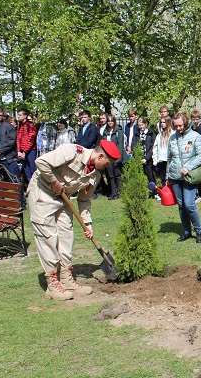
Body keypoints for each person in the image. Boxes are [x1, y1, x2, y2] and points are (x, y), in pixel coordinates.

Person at [27, 140, 121, 300]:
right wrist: (54, 181)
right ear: (100, 155)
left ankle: (65, 278)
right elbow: (40, 162)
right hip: (43, 193)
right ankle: (52, 284)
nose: (107, 167)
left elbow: (84, 200)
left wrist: (88, 224)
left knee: (66, 236)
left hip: (64, 199)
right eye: (107, 163)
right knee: (48, 237)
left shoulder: (95, 175)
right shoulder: (71, 152)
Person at [167, 112, 201, 243]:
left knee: (189, 204)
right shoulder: (172, 138)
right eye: (176, 126)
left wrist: (188, 167)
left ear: (186, 122)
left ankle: (198, 231)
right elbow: (169, 158)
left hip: (189, 176)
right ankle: (186, 231)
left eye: (180, 125)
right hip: (175, 176)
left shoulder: (195, 136)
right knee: (181, 205)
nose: (178, 128)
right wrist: (168, 176)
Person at [103, 114, 126, 200]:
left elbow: (120, 145)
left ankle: (119, 192)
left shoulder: (118, 131)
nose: (110, 123)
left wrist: (118, 158)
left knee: (117, 175)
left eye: (112, 121)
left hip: (116, 156)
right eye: (108, 121)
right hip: (107, 156)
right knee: (110, 175)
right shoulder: (105, 131)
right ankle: (113, 192)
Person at [0, 106, 19, 182]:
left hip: (7, 159)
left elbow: (11, 141)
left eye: (0, 115)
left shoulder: (8, 126)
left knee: (14, 181)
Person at [133, 117, 157, 191]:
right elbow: (134, 146)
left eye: (142, 125)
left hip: (148, 159)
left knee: (150, 176)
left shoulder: (151, 133)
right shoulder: (136, 135)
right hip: (139, 158)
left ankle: (155, 192)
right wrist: (137, 157)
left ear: (146, 124)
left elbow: (153, 147)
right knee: (141, 177)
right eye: (139, 125)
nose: (141, 127)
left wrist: (146, 158)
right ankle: (143, 191)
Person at [16, 109, 38, 184]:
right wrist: (19, 151)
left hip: (30, 151)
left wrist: (25, 151)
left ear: (25, 116)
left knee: (33, 170)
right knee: (27, 170)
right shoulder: (20, 125)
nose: (18, 117)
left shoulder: (30, 125)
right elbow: (18, 138)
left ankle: (36, 187)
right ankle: (30, 186)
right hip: (22, 152)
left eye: (20, 115)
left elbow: (31, 140)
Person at [152, 116, 172, 184]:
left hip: (169, 160)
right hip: (161, 160)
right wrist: (155, 159)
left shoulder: (172, 134)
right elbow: (155, 148)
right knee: (163, 179)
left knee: (170, 179)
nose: (162, 124)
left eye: (164, 122)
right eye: (161, 122)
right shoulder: (159, 135)